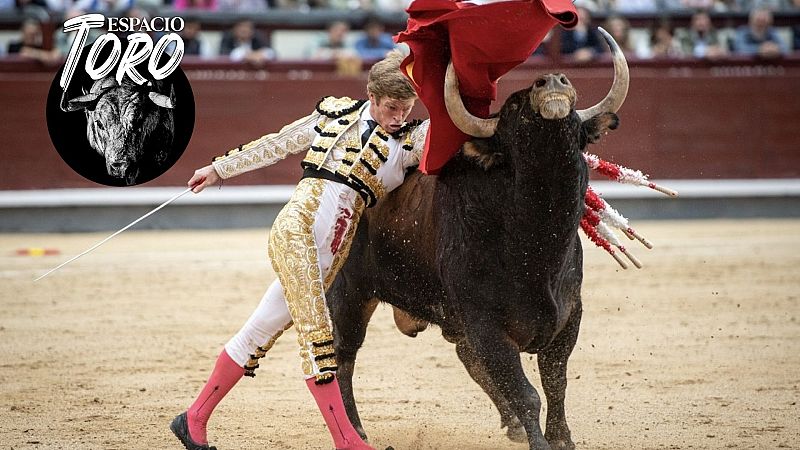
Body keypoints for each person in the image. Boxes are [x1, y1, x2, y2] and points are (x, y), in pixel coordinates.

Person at [171, 49, 429, 450]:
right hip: (296, 232)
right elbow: (277, 144)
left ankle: (193, 418)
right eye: (391, 107)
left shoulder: (408, 144)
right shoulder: (334, 116)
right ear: (372, 97)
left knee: (257, 332)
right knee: (319, 336)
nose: (398, 117)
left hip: (328, 256)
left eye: (406, 108)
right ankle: (348, 443)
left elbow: (450, 131)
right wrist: (219, 168)